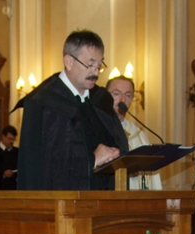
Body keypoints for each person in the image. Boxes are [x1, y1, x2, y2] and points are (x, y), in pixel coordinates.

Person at [14, 30, 128, 190]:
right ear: (68, 61)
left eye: (99, 65)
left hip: (102, 198)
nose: (95, 72)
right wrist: (92, 161)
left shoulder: (100, 99)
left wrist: (115, 153)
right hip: (63, 201)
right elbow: (44, 167)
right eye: (90, 64)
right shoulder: (43, 102)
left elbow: (118, 143)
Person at [106, 76, 162, 190]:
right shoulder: (96, 128)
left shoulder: (138, 134)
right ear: (105, 96)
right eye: (116, 94)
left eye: (128, 95)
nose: (123, 100)